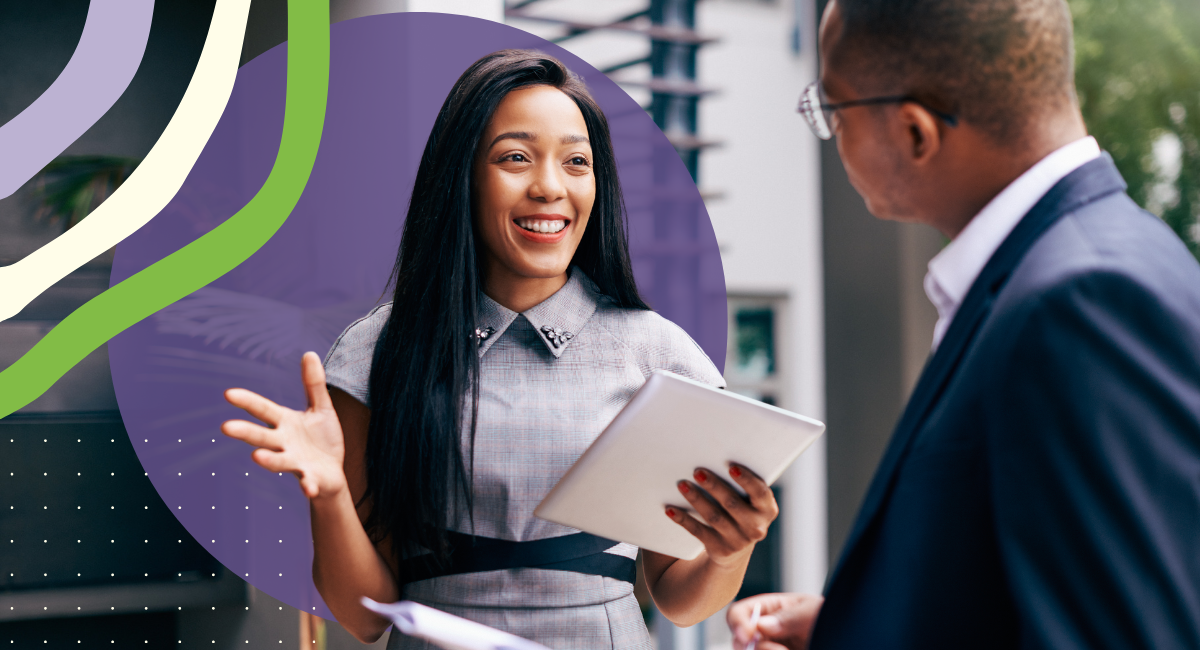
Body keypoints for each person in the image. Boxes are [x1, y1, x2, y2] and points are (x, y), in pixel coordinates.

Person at [220, 50, 779, 649]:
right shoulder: (377, 354)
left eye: (576, 162)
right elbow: (365, 616)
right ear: (461, 175)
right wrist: (330, 495)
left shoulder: (657, 355)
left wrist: (731, 547)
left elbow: (678, 597)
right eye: (515, 158)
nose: (549, 187)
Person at [728, 0, 1200, 648]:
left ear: (916, 132)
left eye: (834, 110)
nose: (832, 133)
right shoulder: (1074, 267)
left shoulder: (1081, 302)